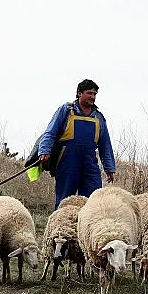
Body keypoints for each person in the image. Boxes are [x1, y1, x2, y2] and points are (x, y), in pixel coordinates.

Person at [38, 79, 116, 209]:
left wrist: (109, 168)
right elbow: (50, 131)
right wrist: (44, 151)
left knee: (93, 202)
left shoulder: (99, 117)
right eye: (89, 93)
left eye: (95, 94)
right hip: (67, 164)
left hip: (90, 165)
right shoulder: (66, 110)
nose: (93, 97)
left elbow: (105, 144)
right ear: (79, 93)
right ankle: (60, 226)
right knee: (64, 201)